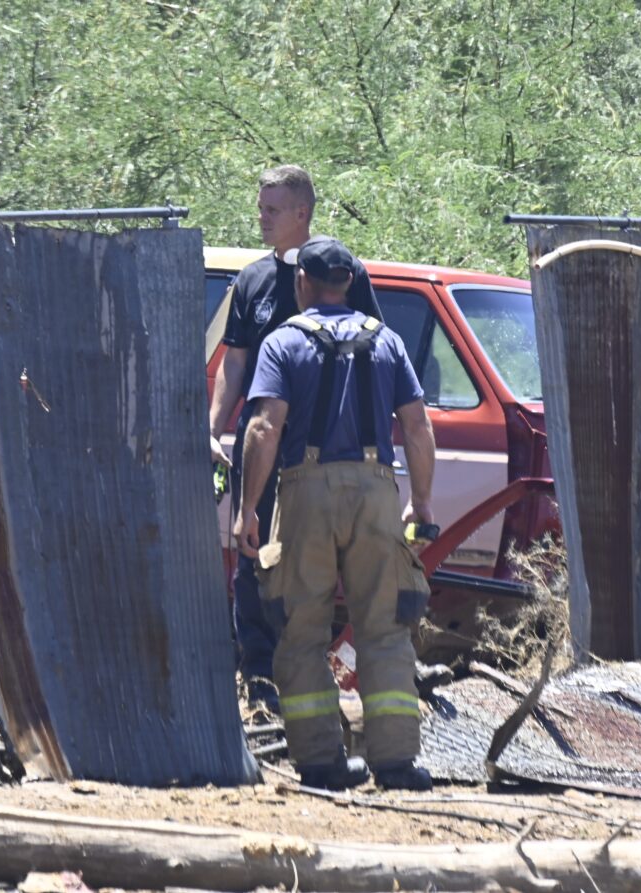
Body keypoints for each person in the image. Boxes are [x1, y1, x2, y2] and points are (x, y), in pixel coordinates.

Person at [234, 236, 436, 792]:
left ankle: (322, 762)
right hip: (377, 491)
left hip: (306, 492)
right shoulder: (388, 341)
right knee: (385, 628)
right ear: (349, 283)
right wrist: (422, 502)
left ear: (302, 281)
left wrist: (248, 508)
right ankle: (396, 762)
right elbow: (417, 427)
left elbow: (264, 427)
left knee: (301, 631)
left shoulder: (282, 342)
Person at [208, 165, 380, 712]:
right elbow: (235, 362)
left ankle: (308, 677)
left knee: (313, 563)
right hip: (261, 441)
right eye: (261, 207)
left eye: (273, 209)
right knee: (252, 555)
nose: (262, 217)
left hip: (320, 449)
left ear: (302, 213)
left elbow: (370, 350)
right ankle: (258, 678)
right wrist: (214, 427)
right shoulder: (253, 280)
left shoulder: (342, 271)